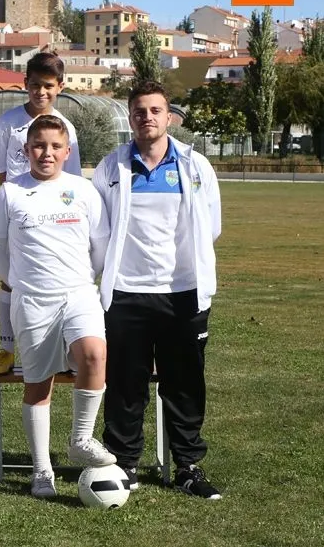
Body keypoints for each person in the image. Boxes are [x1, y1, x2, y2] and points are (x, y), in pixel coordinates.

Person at [94, 81, 222, 499]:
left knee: (183, 383)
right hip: (127, 293)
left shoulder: (194, 165)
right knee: (125, 384)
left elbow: (211, 225)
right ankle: (123, 463)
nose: (146, 117)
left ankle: (187, 465)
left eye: (155, 110)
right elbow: (99, 233)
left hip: (183, 293)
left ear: (169, 117)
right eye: (139, 111)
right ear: (129, 118)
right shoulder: (111, 167)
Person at [0, 115, 115, 499]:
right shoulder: (10, 192)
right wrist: (23, 281)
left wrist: (79, 280)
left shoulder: (83, 190)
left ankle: (80, 439)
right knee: (38, 386)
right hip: (32, 300)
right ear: (26, 151)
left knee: (94, 354)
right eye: (39, 145)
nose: (47, 153)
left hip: (78, 293)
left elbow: (100, 246)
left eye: (55, 146)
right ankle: (42, 470)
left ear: (67, 151)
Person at [0, 52, 82, 375]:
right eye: (36, 85)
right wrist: (23, 197)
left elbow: (74, 178)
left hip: (57, 217)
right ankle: (7, 347)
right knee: (9, 278)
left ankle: (65, 345)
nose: (41, 92)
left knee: (55, 277)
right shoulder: (6, 124)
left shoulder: (66, 128)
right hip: (19, 214)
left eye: (49, 86)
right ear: (25, 84)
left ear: (61, 87)